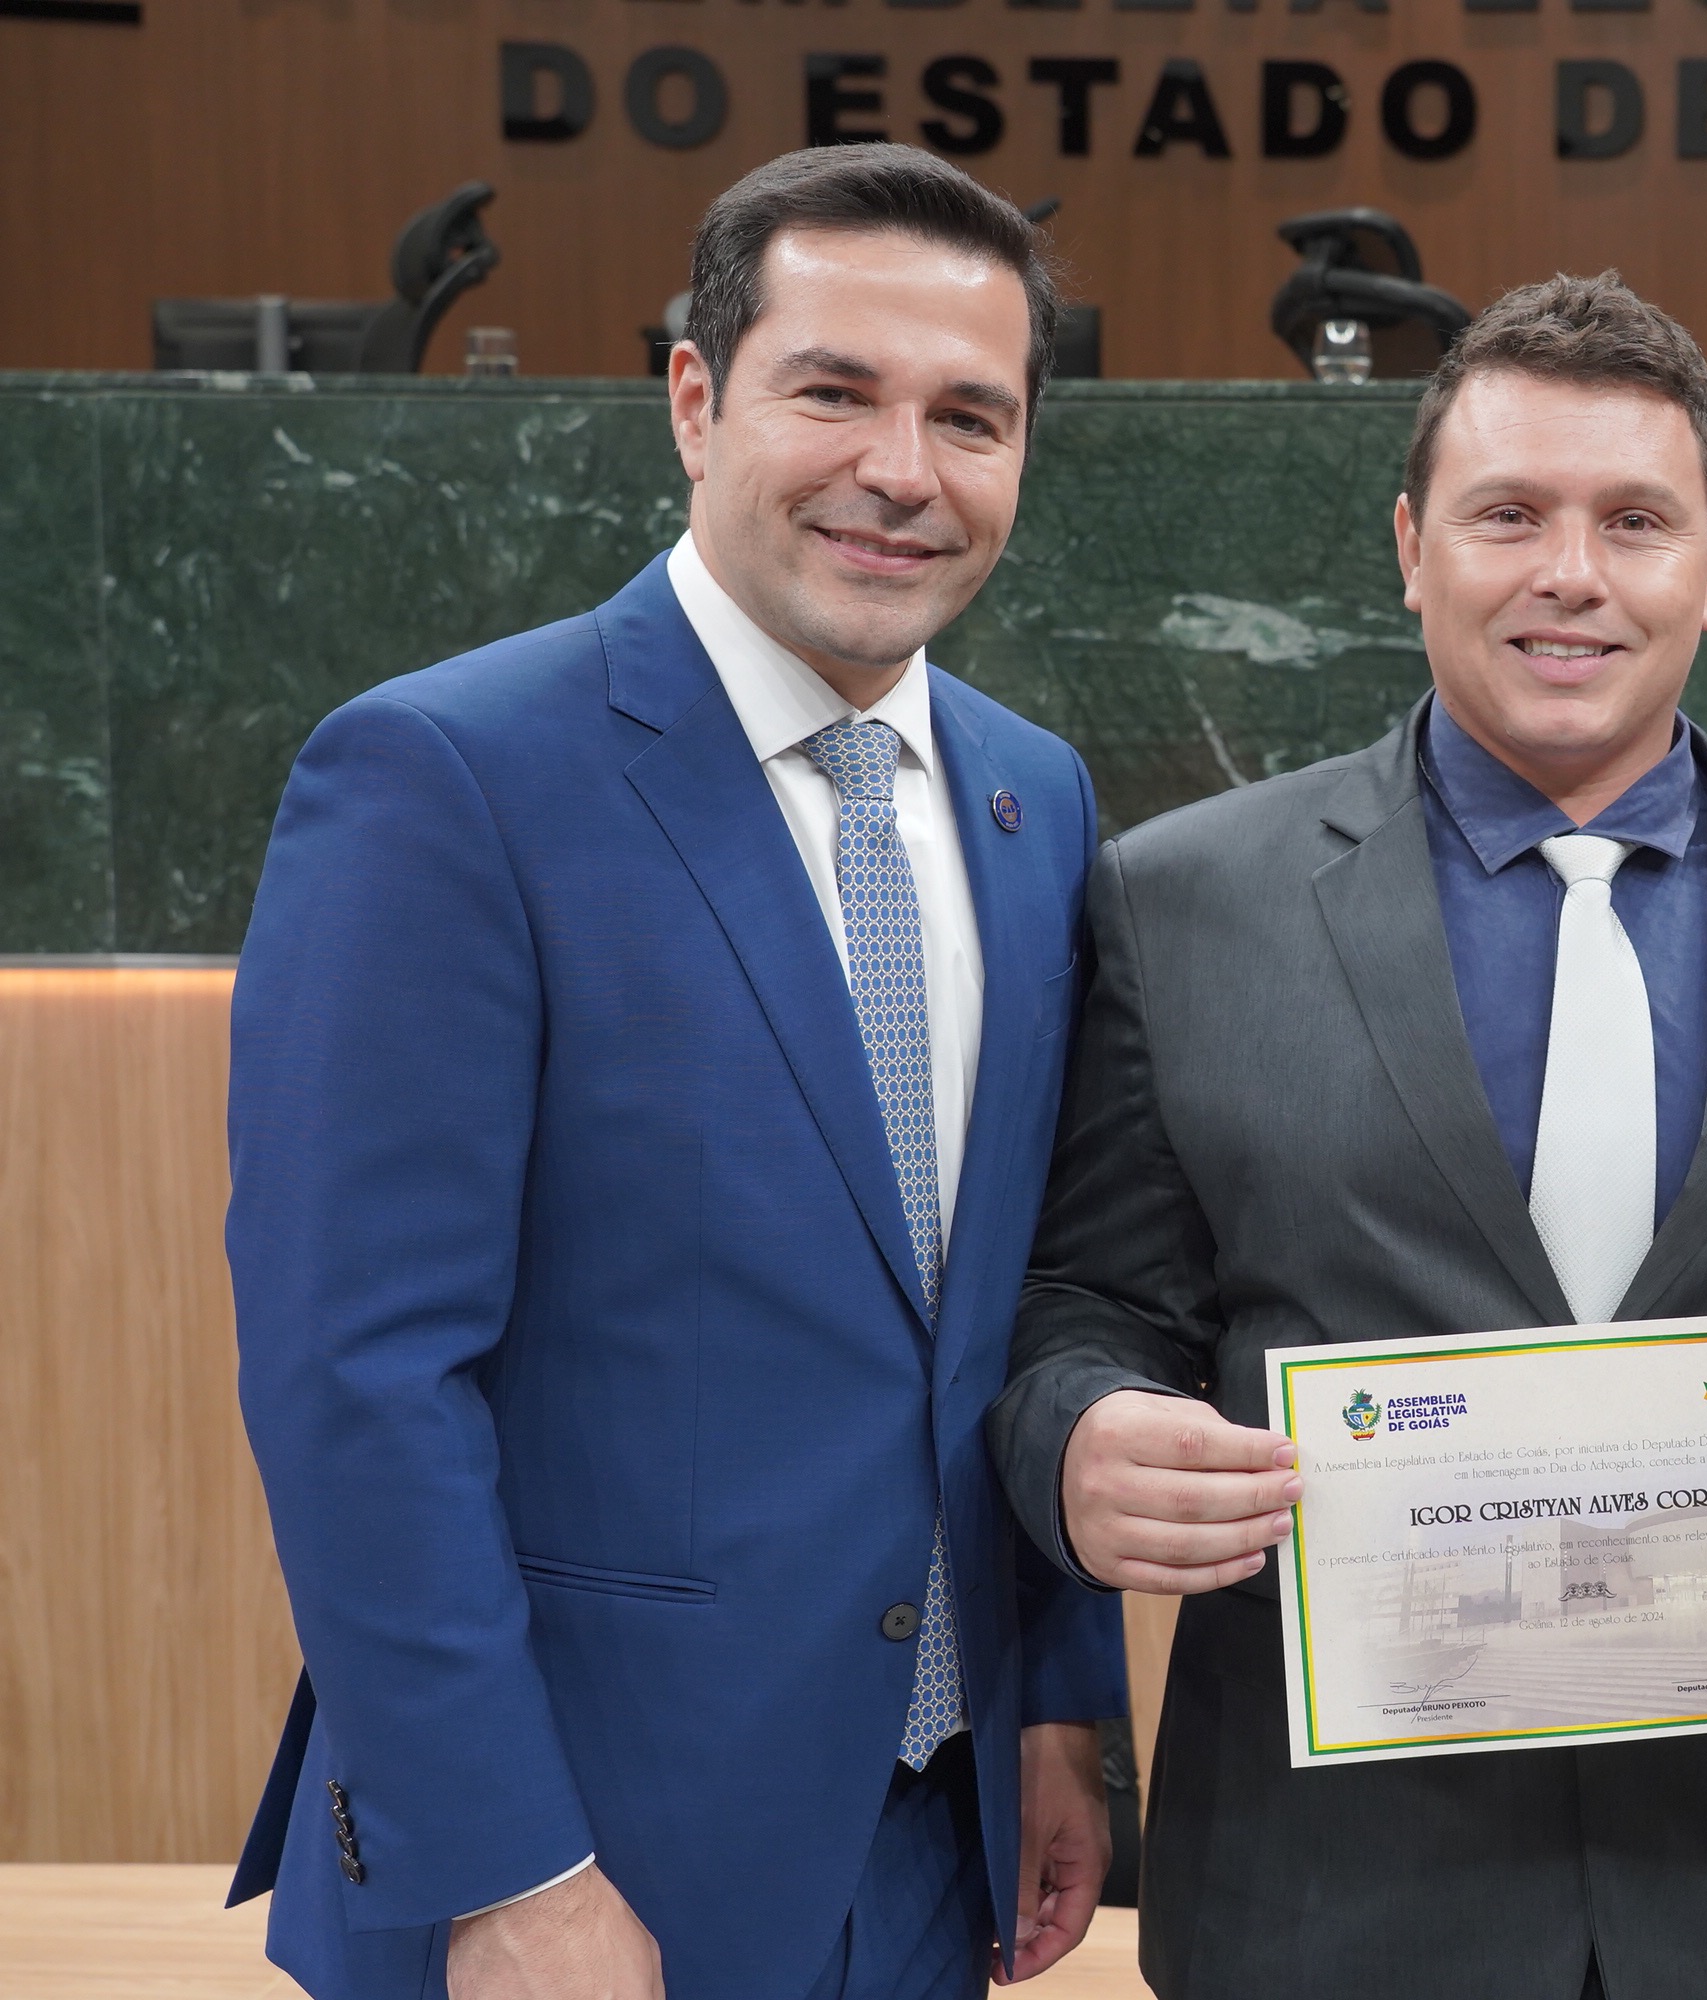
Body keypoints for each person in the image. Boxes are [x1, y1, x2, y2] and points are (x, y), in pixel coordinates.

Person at [982, 272, 1707, 2000]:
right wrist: (1080, 1440)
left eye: (1635, 521)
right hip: (1318, 1907)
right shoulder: (1181, 902)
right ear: (1411, 549)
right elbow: (1085, 1306)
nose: (1571, 572)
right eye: (1509, 515)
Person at [224, 145, 1122, 2000]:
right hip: (580, 1873)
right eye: (834, 392)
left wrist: (1052, 1707)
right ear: (697, 401)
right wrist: (509, 1869)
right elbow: (359, 1380)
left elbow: (1019, 1307)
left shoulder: (1035, 799)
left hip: (929, 1850)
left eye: (970, 415)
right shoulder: (444, 778)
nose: (904, 469)